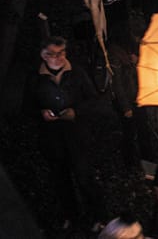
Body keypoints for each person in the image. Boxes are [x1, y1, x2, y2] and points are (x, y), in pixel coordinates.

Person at [34, 36, 106, 232]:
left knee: (85, 178)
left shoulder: (77, 74)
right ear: (43, 55)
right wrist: (41, 113)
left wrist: (77, 112)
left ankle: (98, 217)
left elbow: (95, 102)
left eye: (60, 53)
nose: (56, 58)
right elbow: (27, 106)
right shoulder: (36, 78)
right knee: (61, 181)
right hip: (53, 140)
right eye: (51, 54)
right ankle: (71, 216)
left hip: (77, 137)